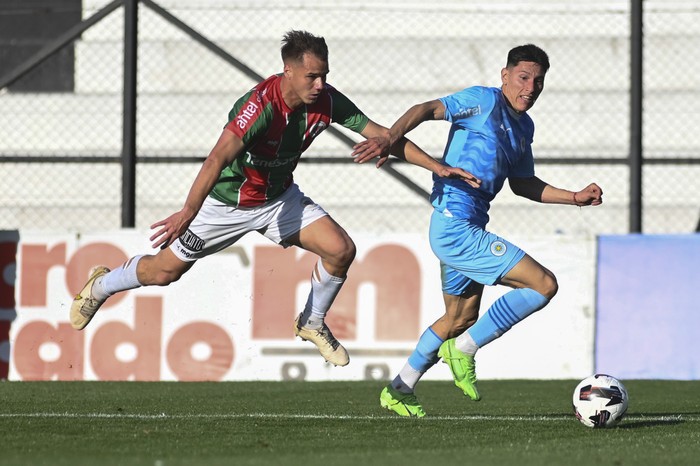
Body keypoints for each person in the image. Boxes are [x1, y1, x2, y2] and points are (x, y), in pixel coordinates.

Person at [69, 30, 478, 368]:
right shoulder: (260, 106)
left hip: (279, 199)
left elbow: (381, 133)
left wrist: (435, 166)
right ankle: (101, 285)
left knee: (341, 250)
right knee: (163, 273)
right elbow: (217, 158)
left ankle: (311, 322)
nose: (320, 85)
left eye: (324, 75)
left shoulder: (327, 100)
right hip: (226, 205)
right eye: (312, 77)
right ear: (288, 71)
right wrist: (187, 213)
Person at [352, 44, 603, 417]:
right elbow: (426, 109)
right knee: (543, 284)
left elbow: (523, 183)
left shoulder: (524, 127)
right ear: (505, 75)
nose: (530, 88)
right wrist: (389, 137)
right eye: (523, 78)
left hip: (466, 224)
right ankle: (465, 348)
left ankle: (400, 388)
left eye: (538, 81)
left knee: (459, 318)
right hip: (455, 226)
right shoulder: (483, 101)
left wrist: (574, 198)